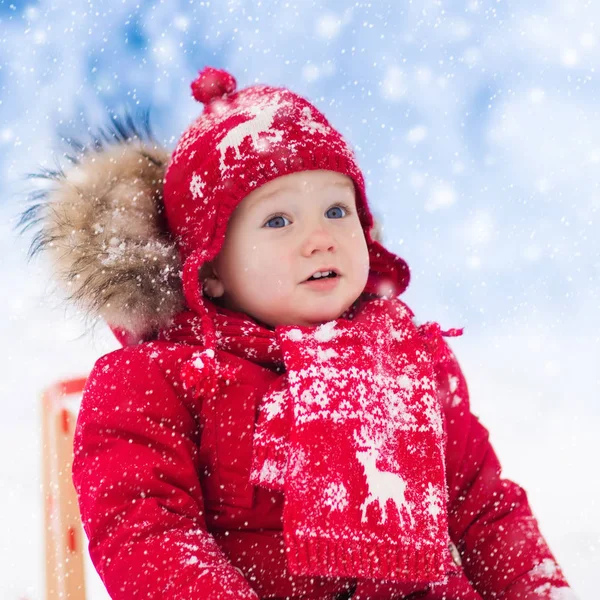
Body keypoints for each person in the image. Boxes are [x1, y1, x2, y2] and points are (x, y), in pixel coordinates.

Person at [25, 66, 576, 599]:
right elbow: (146, 533)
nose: (321, 238)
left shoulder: (407, 359)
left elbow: (485, 512)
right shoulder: (155, 382)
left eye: (337, 210)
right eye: (279, 221)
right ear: (209, 267)